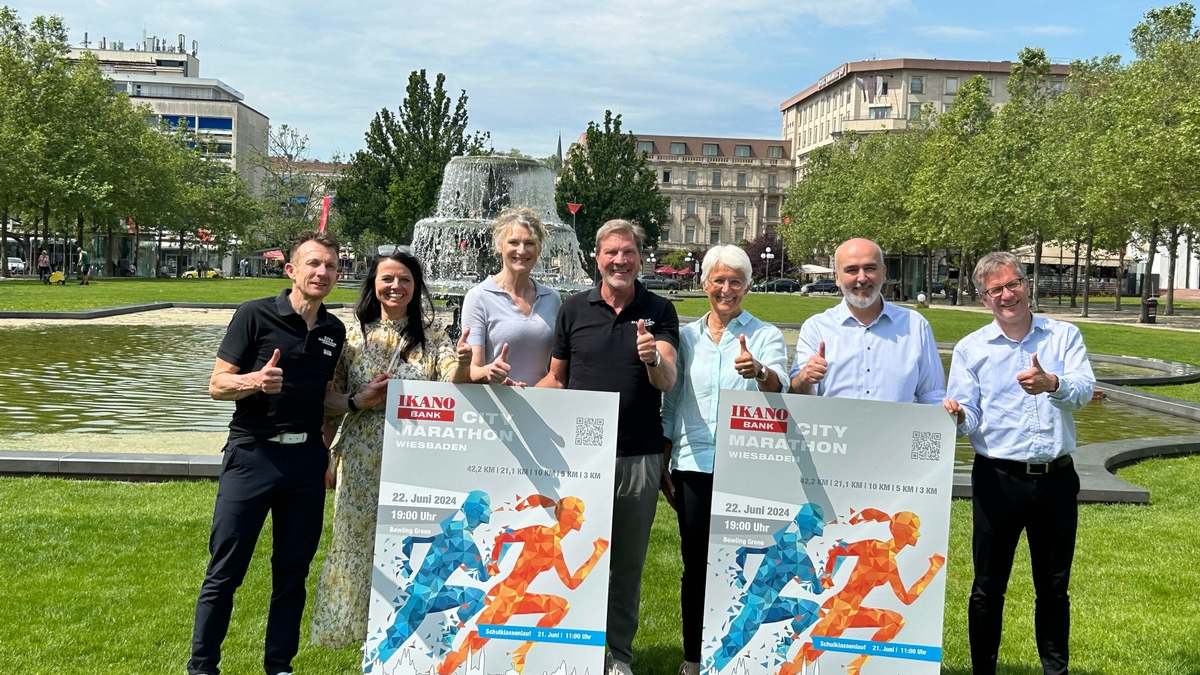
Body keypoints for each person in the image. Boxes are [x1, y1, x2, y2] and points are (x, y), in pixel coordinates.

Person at [188, 231, 375, 675]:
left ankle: (279, 666)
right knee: (226, 570)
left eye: (330, 265)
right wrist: (254, 381)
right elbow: (216, 385)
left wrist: (355, 402)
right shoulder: (254, 315)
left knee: (292, 574)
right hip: (253, 455)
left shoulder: (333, 331)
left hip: (306, 462)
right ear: (291, 270)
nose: (322, 272)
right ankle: (201, 667)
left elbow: (322, 398)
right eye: (312, 264)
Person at [537, 219, 679, 675]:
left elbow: (667, 379)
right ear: (597, 257)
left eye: (629, 252)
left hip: (638, 456)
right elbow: (556, 378)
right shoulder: (573, 309)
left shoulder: (660, 310)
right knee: (572, 556)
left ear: (640, 257)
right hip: (578, 460)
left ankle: (619, 655)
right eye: (612, 252)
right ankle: (573, 650)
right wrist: (515, 402)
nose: (620, 260)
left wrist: (652, 357)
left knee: (626, 565)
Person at [943, 251, 1095, 675]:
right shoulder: (971, 348)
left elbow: (1083, 391)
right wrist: (956, 417)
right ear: (982, 298)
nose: (1006, 295)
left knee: (1053, 589)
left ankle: (1054, 670)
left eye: (1013, 285)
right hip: (997, 479)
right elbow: (970, 414)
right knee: (988, 588)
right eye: (996, 290)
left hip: (1055, 478)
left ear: (1028, 285)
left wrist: (1053, 383)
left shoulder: (1063, 336)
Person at [311, 249, 471, 649]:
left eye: (404, 280)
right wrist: (325, 452)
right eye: (387, 279)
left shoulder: (432, 334)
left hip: (418, 454)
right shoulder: (351, 336)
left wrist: (469, 364)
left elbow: (454, 381)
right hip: (362, 453)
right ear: (374, 285)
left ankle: (407, 631)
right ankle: (349, 628)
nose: (395, 286)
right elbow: (328, 399)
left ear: (416, 288)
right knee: (356, 536)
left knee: (412, 540)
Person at [660, 244, 789, 675]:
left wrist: (760, 372)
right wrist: (664, 454)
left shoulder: (765, 335)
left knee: (750, 563)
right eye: (718, 280)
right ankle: (694, 657)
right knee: (696, 565)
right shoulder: (687, 337)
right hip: (694, 463)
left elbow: (780, 386)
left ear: (748, 286)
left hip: (748, 465)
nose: (726, 288)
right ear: (704, 285)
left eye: (735, 281)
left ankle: (746, 657)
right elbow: (672, 398)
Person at [436, 495, 609, 675]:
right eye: (579, 513)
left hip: (516, 596)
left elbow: (505, 537)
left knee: (560, 607)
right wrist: (596, 554)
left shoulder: (546, 539)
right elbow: (571, 583)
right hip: (508, 596)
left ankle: (522, 652)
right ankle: (443, 671)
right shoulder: (547, 541)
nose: (583, 518)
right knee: (474, 643)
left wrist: (495, 561)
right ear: (569, 517)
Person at [787, 509, 945, 675]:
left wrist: (828, 575)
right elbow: (907, 599)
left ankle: (856, 665)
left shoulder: (875, 547)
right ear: (905, 533)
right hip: (843, 610)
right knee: (807, 656)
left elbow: (837, 550)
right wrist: (932, 570)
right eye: (914, 530)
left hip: (848, 607)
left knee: (895, 622)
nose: (918, 534)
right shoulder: (887, 561)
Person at [789, 237, 944, 404]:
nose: (862, 278)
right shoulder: (816, 328)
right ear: (837, 278)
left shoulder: (915, 326)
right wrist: (803, 379)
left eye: (870, 268)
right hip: (834, 428)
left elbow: (933, 395)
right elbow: (797, 400)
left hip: (897, 430)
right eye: (852, 270)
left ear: (883, 273)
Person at [365, 491, 496, 673]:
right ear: (478, 513)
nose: (486, 518)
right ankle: (371, 668)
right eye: (484, 513)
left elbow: (411, 538)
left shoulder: (446, 527)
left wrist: (407, 563)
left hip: (426, 592)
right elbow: (483, 576)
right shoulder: (466, 543)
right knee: (397, 636)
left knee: (476, 597)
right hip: (425, 597)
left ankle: (449, 636)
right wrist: (501, 552)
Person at [460, 208, 561, 386]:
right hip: (495, 407)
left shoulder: (552, 299)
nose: (521, 251)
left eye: (529, 243)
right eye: (513, 242)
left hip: (540, 405)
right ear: (500, 246)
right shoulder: (478, 297)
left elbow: (557, 369)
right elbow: (473, 370)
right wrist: (489, 371)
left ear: (539, 248)